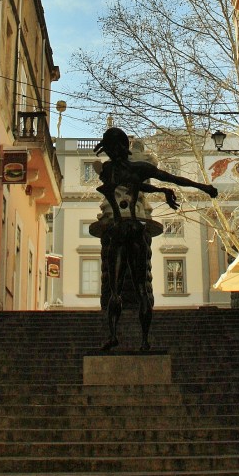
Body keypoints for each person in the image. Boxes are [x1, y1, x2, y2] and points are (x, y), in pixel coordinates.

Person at [92, 127, 218, 352]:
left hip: (120, 230)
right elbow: (156, 182)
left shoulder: (111, 169)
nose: (108, 153)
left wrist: (194, 188)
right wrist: (173, 189)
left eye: (109, 148)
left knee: (119, 289)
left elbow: (167, 179)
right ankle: (141, 340)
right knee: (135, 288)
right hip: (134, 230)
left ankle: (121, 336)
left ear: (115, 148)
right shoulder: (134, 169)